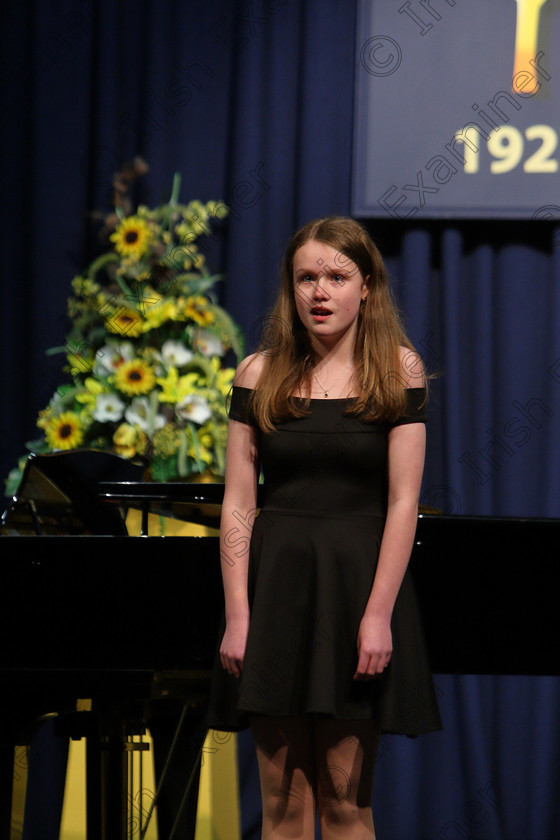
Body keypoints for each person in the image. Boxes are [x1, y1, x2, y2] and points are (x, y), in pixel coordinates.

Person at [206, 216, 442, 839]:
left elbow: (403, 501)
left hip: (354, 593)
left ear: (366, 286)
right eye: (306, 277)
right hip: (276, 590)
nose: (320, 291)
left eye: (337, 277)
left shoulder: (398, 369)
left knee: (344, 806)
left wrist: (377, 614)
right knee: (283, 808)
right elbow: (237, 502)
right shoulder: (258, 374)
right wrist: (238, 614)